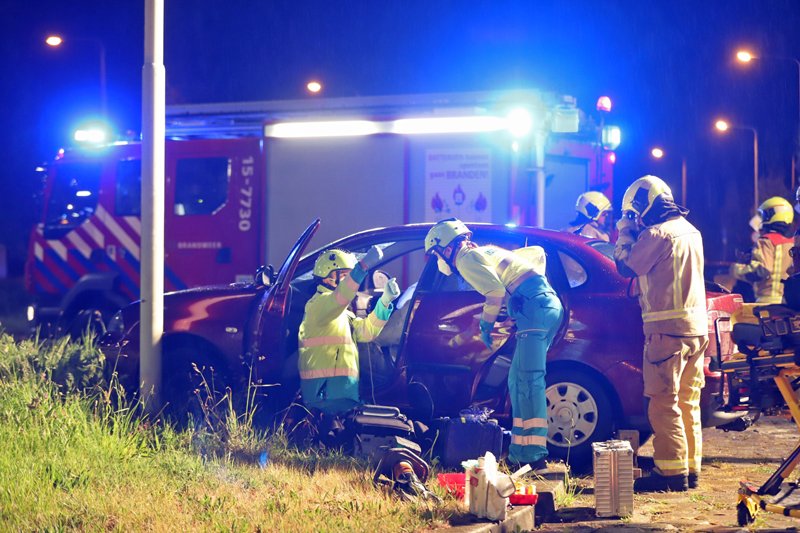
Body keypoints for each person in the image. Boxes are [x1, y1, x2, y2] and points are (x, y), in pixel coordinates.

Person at [424, 218, 563, 471]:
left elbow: (495, 292)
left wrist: (487, 325)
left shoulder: (465, 259)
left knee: (528, 381)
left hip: (536, 308)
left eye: (436, 255)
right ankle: (521, 453)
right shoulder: (483, 251)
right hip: (540, 306)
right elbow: (535, 257)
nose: (438, 262)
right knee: (518, 380)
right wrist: (513, 306)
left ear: (445, 248)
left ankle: (534, 455)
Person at [613, 175, 708, 493]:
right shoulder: (690, 231)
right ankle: (690, 468)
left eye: (633, 213)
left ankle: (670, 472)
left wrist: (625, 231)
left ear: (641, 208)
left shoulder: (657, 234)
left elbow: (626, 266)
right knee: (687, 402)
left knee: (663, 403)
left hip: (666, 333)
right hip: (696, 330)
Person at [298, 246, 400, 415]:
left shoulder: (342, 313)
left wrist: (385, 301)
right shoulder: (318, 305)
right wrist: (362, 268)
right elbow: (342, 296)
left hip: (341, 393)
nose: (350, 281)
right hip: (325, 394)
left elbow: (367, 332)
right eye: (345, 276)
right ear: (327, 278)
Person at [731, 196, 794, 304]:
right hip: (787, 301)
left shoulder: (766, 241)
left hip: (766, 301)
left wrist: (736, 269)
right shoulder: (792, 243)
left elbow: (762, 270)